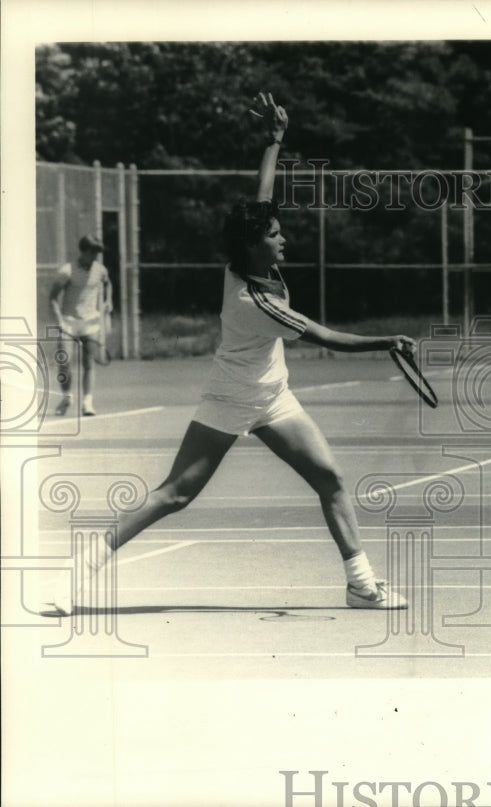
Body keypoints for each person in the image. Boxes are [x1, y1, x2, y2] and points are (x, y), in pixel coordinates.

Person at [49, 92, 411, 614]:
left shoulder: (250, 258)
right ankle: (75, 571)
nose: (283, 239)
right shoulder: (254, 300)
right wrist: (388, 341)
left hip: (274, 395)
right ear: (253, 247)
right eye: (275, 235)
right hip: (231, 396)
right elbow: (325, 337)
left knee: (329, 479)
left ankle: (361, 584)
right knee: (175, 494)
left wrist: (274, 142)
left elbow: (262, 197)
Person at [50, 233, 113, 416]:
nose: (96, 256)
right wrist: (59, 320)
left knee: (89, 363)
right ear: (84, 251)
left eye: (98, 253)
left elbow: (107, 284)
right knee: (65, 362)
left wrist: (109, 300)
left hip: (90, 324)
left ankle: (87, 403)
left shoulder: (100, 270)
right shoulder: (67, 271)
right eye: (93, 252)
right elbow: (52, 297)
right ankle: (67, 396)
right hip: (68, 323)